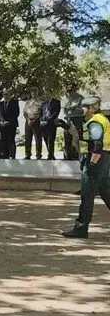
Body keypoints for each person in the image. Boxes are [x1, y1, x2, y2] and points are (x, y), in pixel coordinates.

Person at [62, 97, 110, 239]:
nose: (82, 109)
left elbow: (97, 144)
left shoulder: (95, 122)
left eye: (85, 106)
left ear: (93, 107)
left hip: (96, 160)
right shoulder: (99, 119)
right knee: (107, 192)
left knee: (87, 195)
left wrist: (92, 163)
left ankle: (81, 228)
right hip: (104, 160)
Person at [0, 93, 19, 159]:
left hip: (11, 125)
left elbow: (16, 113)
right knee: (4, 140)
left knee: (11, 140)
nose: (6, 96)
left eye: (7, 95)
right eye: (5, 95)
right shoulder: (0, 104)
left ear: (10, 95)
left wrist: (8, 121)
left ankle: (12, 155)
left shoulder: (14, 103)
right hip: (2, 125)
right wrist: (0, 121)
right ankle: (5, 155)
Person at [64, 89, 84, 161]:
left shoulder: (80, 98)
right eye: (68, 91)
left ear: (74, 90)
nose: (69, 92)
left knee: (77, 139)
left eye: (70, 91)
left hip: (77, 121)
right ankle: (68, 156)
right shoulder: (68, 99)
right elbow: (65, 110)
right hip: (68, 121)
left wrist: (73, 108)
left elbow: (83, 111)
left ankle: (77, 156)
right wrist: (66, 110)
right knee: (67, 138)